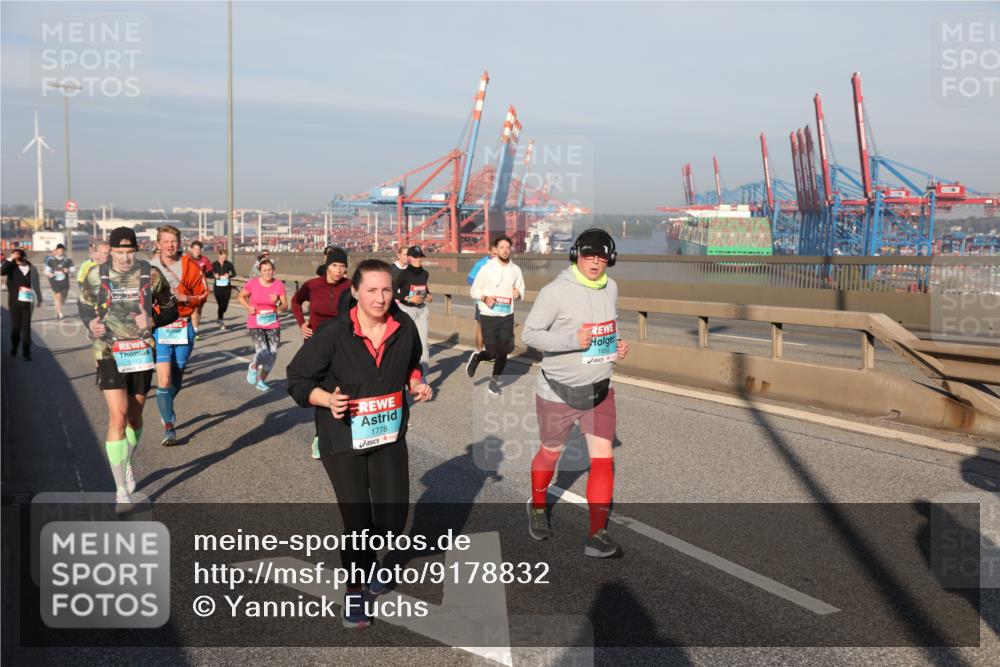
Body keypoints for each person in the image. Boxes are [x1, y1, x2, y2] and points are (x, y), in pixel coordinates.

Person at [287, 259, 432, 629]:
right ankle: (355, 591)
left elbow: (413, 365)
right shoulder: (334, 333)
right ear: (355, 292)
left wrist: (416, 384)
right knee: (357, 522)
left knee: (393, 520)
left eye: (386, 290)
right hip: (342, 439)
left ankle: (373, 563)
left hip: (387, 435)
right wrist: (325, 399)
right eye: (371, 290)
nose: (379, 298)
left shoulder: (405, 328)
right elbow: (298, 378)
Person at [521, 229, 630, 558]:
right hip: (559, 391)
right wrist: (572, 341)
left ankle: (597, 533)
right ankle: (538, 506)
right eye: (588, 255)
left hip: (600, 390)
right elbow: (530, 334)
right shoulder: (556, 292)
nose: (595, 261)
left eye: (601, 256)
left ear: (609, 258)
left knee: (603, 462)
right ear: (576, 255)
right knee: (551, 453)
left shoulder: (611, 288)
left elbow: (607, 327)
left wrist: (617, 346)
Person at [78, 227, 178, 510]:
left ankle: (127, 461)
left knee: (135, 418)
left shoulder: (151, 274)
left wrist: (153, 322)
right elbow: (83, 307)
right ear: (110, 251)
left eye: (129, 252)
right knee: (118, 417)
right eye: (119, 252)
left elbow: (171, 309)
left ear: (137, 250)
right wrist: (90, 323)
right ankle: (121, 490)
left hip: (141, 353)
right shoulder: (96, 275)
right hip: (109, 351)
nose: (124, 258)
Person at [149, 225, 209, 446]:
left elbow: (203, 293)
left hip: (183, 326)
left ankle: (164, 403)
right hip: (160, 329)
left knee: (176, 379)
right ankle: (169, 425)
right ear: (158, 244)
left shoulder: (189, 266)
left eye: (174, 241)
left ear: (179, 242)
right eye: (166, 241)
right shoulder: (149, 268)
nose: (170, 245)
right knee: (163, 379)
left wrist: (185, 298)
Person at [291, 248, 352, 459]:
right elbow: (295, 302)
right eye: (335, 265)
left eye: (343, 266)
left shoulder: (350, 286)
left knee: (338, 388)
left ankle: (335, 432)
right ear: (327, 266)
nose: (339, 270)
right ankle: (319, 437)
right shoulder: (312, 285)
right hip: (316, 343)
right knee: (321, 389)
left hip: (341, 344)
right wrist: (301, 324)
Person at [467, 235, 525, 396]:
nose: (505, 251)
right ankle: (478, 357)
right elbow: (474, 291)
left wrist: (518, 293)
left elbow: (522, 289)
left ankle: (493, 383)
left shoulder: (516, 270)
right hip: (488, 314)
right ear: (496, 250)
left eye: (508, 247)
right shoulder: (486, 268)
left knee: (503, 352)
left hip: (507, 315)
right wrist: (485, 298)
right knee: (491, 352)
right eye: (502, 248)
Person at [238, 259, 288, 392]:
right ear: (260, 272)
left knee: (272, 354)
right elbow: (241, 296)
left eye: (270, 270)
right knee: (262, 350)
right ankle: (253, 366)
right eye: (264, 270)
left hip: (272, 323)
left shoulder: (278, 285)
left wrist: (277, 301)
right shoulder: (252, 284)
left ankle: (261, 381)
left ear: (274, 271)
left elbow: (285, 306)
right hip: (256, 322)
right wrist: (248, 308)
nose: (267, 273)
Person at [393, 245, 433, 376]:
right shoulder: (403, 275)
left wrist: (428, 295)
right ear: (409, 258)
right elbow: (391, 292)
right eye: (416, 257)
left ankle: (423, 377)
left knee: (423, 344)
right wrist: (407, 298)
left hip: (421, 310)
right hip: (406, 311)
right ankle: (404, 374)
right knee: (406, 344)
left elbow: (424, 289)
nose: (419, 259)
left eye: (420, 257)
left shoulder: (425, 273)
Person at [1, 248, 43, 361]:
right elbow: (2, 271)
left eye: (17, 255)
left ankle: (26, 352)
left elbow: (36, 283)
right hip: (14, 302)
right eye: (14, 255)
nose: (16, 257)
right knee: (16, 327)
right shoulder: (11, 267)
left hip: (27, 302)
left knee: (26, 327)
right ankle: (14, 346)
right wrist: (10, 259)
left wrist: (39, 297)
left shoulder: (31, 267)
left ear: (23, 256)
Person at [466, 245, 497, 353]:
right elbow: (469, 279)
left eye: (498, 254)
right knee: (481, 326)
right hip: (481, 300)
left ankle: (490, 350)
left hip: (496, 300)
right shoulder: (481, 264)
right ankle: (479, 351)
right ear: (489, 252)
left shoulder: (501, 264)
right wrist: (482, 288)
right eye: (494, 254)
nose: (496, 256)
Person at [187, 241, 214, 339]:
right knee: (193, 309)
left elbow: (210, 272)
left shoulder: (205, 260)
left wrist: (207, 274)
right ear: (191, 249)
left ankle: (195, 328)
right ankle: (195, 331)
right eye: (195, 249)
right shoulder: (187, 259)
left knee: (198, 310)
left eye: (199, 249)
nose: (197, 251)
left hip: (201, 288)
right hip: (189, 288)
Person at [44, 243, 75, 320]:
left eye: (62, 250)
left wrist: (68, 270)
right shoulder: (51, 260)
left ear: (64, 251)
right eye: (59, 250)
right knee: (57, 296)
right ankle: (60, 313)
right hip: (55, 281)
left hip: (65, 281)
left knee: (63, 298)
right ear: (56, 250)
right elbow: (46, 271)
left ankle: (57, 309)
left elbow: (73, 270)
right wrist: (50, 274)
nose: (60, 252)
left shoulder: (68, 260)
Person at [211, 248, 237, 330]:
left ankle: (219, 317)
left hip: (226, 287)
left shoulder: (229, 264)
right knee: (220, 304)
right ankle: (221, 320)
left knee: (225, 305)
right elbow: (208, 274)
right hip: (217, 287)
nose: (224, 259)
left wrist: (229, 276)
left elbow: (234, 274)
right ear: (219, 255)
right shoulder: (214, 264)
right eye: (222, 257)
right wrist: (214, 276)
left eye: (225, 257)